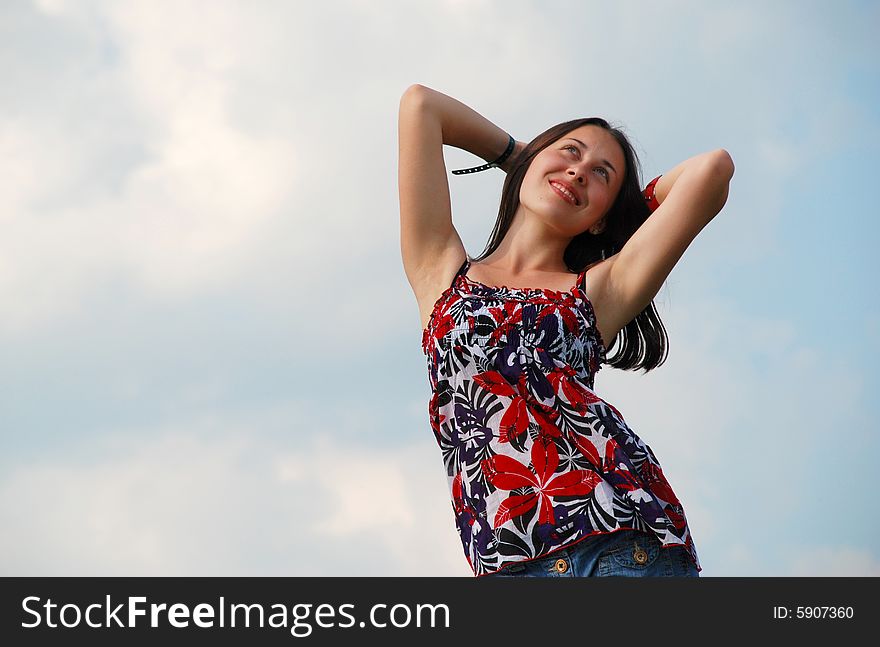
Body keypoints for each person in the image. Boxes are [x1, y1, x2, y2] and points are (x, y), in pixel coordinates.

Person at [398, 84, 733, 577]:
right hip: (508, 561)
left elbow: (712, 169)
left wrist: (620, 211)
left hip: (620, 540)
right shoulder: (440, 271)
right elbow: (422, 105)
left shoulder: (599, 291)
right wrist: (518, 156)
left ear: (601, 219)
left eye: (602, 174)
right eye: (569, 154)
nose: (579, 171)